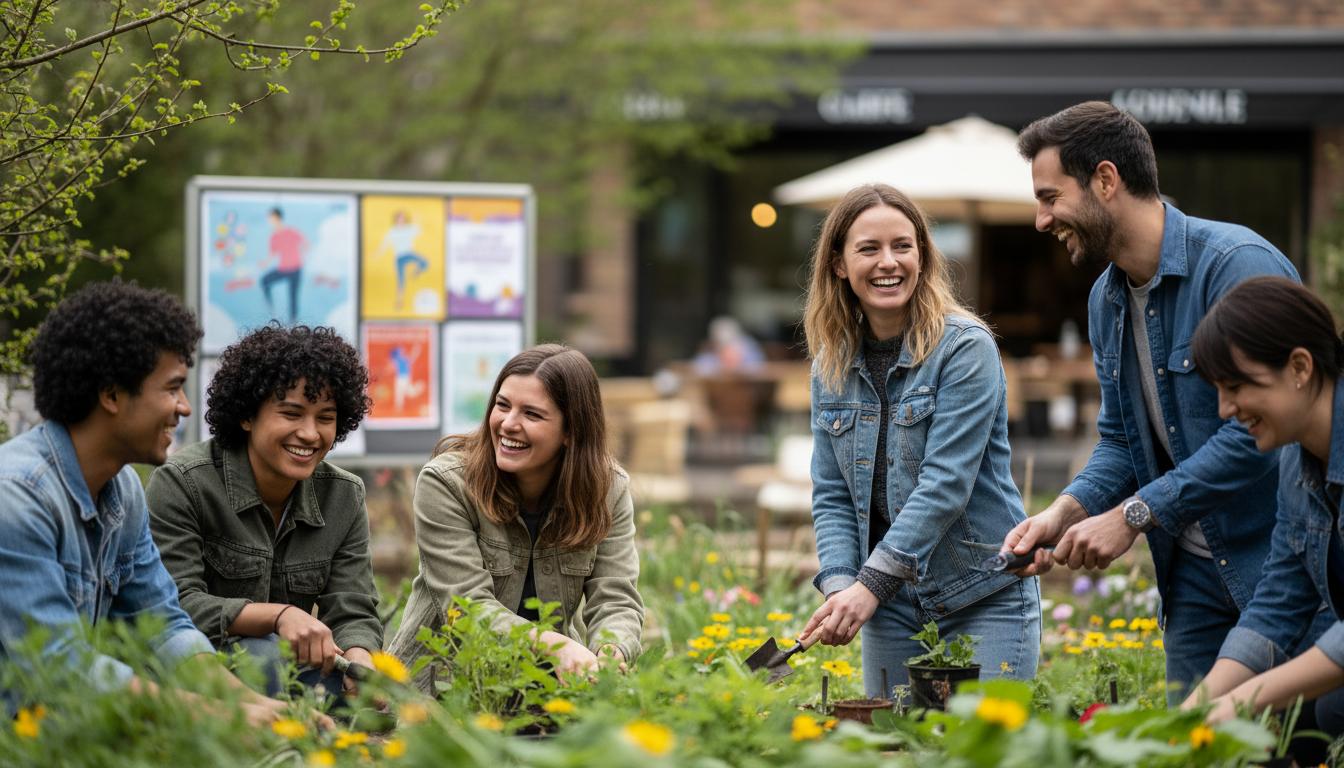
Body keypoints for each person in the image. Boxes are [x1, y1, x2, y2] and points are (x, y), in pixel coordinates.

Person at [1003, 100, 1307, 703]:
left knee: (1297, 744)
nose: (1041, 219)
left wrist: (1135, 514)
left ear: (1106, 180)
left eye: (1049, 197)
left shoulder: (1235, 267)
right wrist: (1066, 510)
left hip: (1277, 559)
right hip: (1190, 572)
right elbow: (1122, 439)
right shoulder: (1105, 300)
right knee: (1189, 743)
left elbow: (1262, 433)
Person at [0, 281, 289, 725]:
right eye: (172, 388)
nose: (185, 407)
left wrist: (255, 709)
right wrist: (221, 719)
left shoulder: (124, 491)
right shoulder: (16, 496)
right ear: (112, 395)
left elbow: (165, 627)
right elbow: (57, 669)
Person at [798, 184, 1041, 698]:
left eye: (902, 246)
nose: (888, 262)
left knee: (981, 753)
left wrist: (867, 587)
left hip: (984, 594)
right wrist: (843, 585)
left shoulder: (965, 350)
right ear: (840, 264)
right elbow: (832, 494)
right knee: (892, 748)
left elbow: (945, 486)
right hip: (890, 608)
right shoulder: (831, 366)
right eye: (868, 248)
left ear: (923, 257)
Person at [387, 344, 643, 692]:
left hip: (552, 687)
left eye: (532, 415)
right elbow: (467, 609)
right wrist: (556, 645)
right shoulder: (447, 482)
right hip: (447, 688)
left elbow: (615, 598)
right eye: (502, 405)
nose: (508, 424)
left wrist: (610, 653)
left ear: (571, 431)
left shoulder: (607, 488)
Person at [146, 325, 381, 698]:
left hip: (289, 670)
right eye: (291, 413)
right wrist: (280, 614)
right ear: (246, 416)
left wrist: (359, 659)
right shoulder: (184, 482)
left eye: (325, 417)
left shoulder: (344, 495)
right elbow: (174, 604)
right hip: (198, 668)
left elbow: (352, 608)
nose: (310, 433)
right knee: (265, 659)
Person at [1179, 277, 1344, 736]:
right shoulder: (1295, 457)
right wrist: (1199, 705)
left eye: (1236, 386)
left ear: (1299, 367)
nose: (1225, 409)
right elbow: (1278, 602)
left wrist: (1244, 700)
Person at [261, 207, 306, 322]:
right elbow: (273, 254)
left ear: (276, 217)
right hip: (283, 269)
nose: (269, 220)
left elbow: (305, 243)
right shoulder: (274, 236)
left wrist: (302, 256)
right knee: (265, 280)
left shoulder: (291, 231)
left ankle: (293, 323)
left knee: (293, 298)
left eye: (270, 217)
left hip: (296, 269)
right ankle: (271, 309)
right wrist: (265, 263)